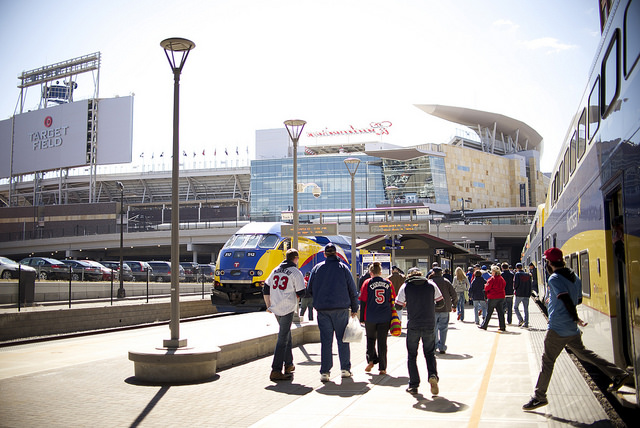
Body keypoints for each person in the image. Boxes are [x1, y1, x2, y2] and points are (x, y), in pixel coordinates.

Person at [523, 247, 631, 410]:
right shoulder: (575, 276)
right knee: (586, 354)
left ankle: (539, 396)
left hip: (558, 327)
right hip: (571, 328)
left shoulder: (554, 278)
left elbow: (565, 298)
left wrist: (574, 317)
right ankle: (618, 373)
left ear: (549, 263)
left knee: (548, 361)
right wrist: (570, 314)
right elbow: (577, 299)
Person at [307, 243, 359, 382]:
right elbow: (352, 290)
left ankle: (325, 372)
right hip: (341, 309)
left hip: (323, 310)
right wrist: (354, 308)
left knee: (326, 341)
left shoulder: (316, 268)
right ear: (336, 254)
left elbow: (309, 289)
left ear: (324, 254)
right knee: (343, 340)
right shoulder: (343, 268)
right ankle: (345, 369)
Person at [396, 267, 444, 396]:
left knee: (412, 355)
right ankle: (432, 375)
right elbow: (441, 303)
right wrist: (430, 305)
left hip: (413, 325)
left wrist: (407, 303)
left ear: (409, 275)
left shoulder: (406, 286)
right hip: (429, 324)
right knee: (429, 353)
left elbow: (397, 305)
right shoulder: (431, 284)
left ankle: (414, 385)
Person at [263, 249, 307, 381]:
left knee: (286, 334)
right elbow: (302, 292)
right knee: (282, 338)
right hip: (287, 308)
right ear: (296, 258)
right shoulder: (295, 272)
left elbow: (265, 287)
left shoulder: (275, 270)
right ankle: (276, 370)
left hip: (276, 307)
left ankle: (289, 364)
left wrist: (268, 306)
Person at [359, 262, 394, 375]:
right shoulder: (388, 283)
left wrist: (361, 318)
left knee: (370, 339)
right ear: (380, 272)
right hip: (385, 316)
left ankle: (371, 360)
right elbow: (392, 299)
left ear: (370, 273)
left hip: (370, 315)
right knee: (382, 342)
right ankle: (382, 368)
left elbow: (363, 301)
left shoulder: (367, 283)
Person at [430, 266, 457, 354]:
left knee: (433, 328)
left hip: (433, 309)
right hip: (445, 308)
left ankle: (434, 346)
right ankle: (442, 347)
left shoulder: (430, 282)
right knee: (444, 328)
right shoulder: (446, 281)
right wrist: (454, 305)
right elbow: (454, 295)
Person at [478, 265, 506, 332]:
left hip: (493, 297)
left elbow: (487, 288)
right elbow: (504, 285)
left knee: (489, 312)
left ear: (494, 272)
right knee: (500, 312)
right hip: (501, 297)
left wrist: (486, 287)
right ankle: (502, 326)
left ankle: (484, 325)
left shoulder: (492, 279)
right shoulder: (502, 279)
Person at [513, 263, 532, 327]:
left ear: (516, 268)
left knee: (515, 307)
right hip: (526, 294)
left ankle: (520, 319)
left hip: (519, 294)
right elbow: (530, 284)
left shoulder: (517, 274)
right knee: (526, 309)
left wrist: (515, 289)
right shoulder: (528, 275)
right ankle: (526, 323)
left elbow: (516, 284)